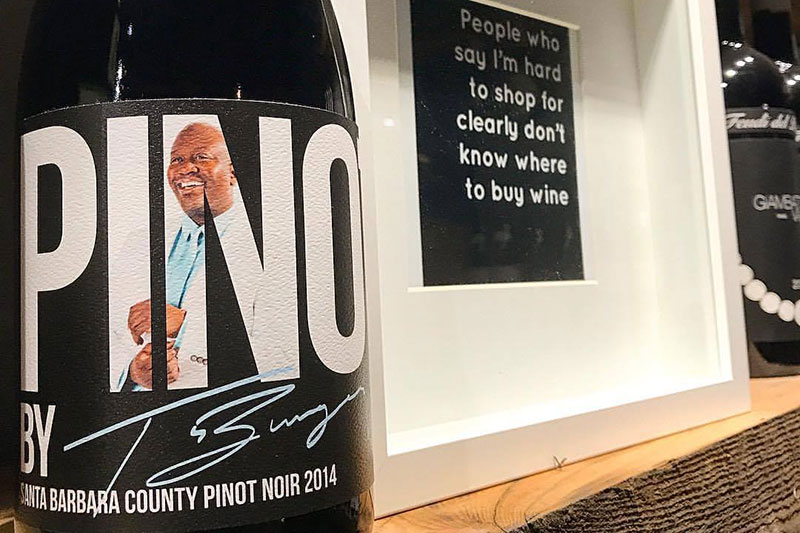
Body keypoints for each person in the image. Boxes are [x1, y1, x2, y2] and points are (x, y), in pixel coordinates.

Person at [118, 122, 246, 391]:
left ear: (232, 173)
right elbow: (104, 334)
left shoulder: (268, 248)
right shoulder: (137, 242)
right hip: (133, 405)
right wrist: (133, 372)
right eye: (176, 160)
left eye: (201, 157)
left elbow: (283, 348)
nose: (186, 168)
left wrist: (185, 326)